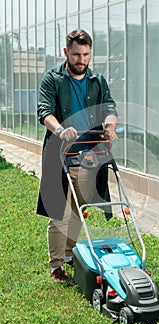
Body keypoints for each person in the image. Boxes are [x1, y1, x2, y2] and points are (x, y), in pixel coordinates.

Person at [37, 29, 118, 282]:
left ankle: (71, 255)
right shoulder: (52, 79)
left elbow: (110, 107)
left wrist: (110, 126)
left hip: (90, 156)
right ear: (66, 53)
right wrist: (61, 129)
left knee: (78, 210)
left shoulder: (98, 80)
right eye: (76, 54)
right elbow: (44, 112)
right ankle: (56, 265)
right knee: (58, 211)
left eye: (85, 54)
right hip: (58, 153)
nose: (81, 59)